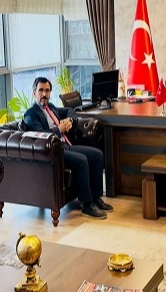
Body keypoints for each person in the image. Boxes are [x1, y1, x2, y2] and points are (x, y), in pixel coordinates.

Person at [24, 77, 113, 219]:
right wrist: (59, 130)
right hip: (53, 152)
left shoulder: (51, 107)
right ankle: (87, 205)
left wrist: (69, 120)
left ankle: (96, 198)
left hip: (65, 145)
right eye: (41, 91)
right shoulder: (31, 114)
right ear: (34, 93)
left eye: (47, 91)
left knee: (97, 155)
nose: (44, 94)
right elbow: (40, 136)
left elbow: (70, 110)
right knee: (82, 160)